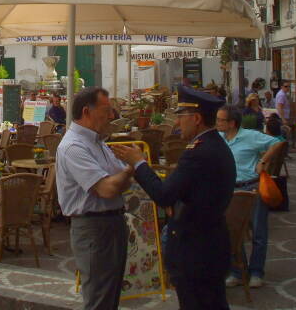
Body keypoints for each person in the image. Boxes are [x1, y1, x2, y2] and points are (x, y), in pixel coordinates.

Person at [113, 86, 235, 310]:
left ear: (196, 118)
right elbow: (200, 192)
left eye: (181, 117)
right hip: (211, 243)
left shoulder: (197, 152)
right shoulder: (216, 146)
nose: (177, 123)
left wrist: (139, 163)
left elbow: (163, 194)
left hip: (195, 249)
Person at [56, 87, 133, 310]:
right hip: (94, 228)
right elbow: (108, 188)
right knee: (99, 298)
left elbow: (121, 184)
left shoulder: (97, 142)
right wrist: (132, 167)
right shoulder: (74, 146)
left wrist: (123, 176)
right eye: (106, 110)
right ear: (86, 111)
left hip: (111, 224)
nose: (111, 116)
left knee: (110, 295)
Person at [216, 106, 283, 288]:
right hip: (230, 190)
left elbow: (277, 141)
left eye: (221, 120)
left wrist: (263, 161)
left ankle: (256, 272)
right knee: (232, 232)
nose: (218, 123)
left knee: (258, 232)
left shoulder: (250, 136)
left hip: (251, 189)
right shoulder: (220, 139)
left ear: (232, 123)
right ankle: (238, 271)